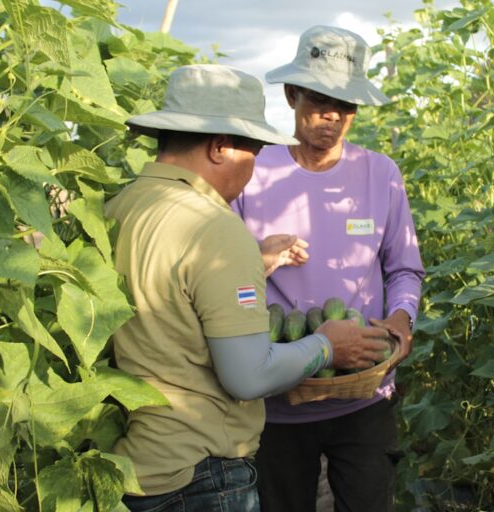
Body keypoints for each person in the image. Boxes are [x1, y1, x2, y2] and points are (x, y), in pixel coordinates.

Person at [105, 64, 391, 512]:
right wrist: (325, 347)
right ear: (220, 147)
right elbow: (247, 374)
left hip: (134, 464)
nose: (255, 169)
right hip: (199, 470)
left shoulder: (121, 208)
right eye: (255, 151)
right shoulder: (216, 228)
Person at [232, 26, 425, 511]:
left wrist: (402, 319)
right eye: (320, 101)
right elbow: (223, 279)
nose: (334, 116)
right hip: (278, 398)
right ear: (292, 95)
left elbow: (404, 268)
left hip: (364, 390)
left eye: (346, 105)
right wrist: (260, 258)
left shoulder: (380, 173)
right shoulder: (253, 173)